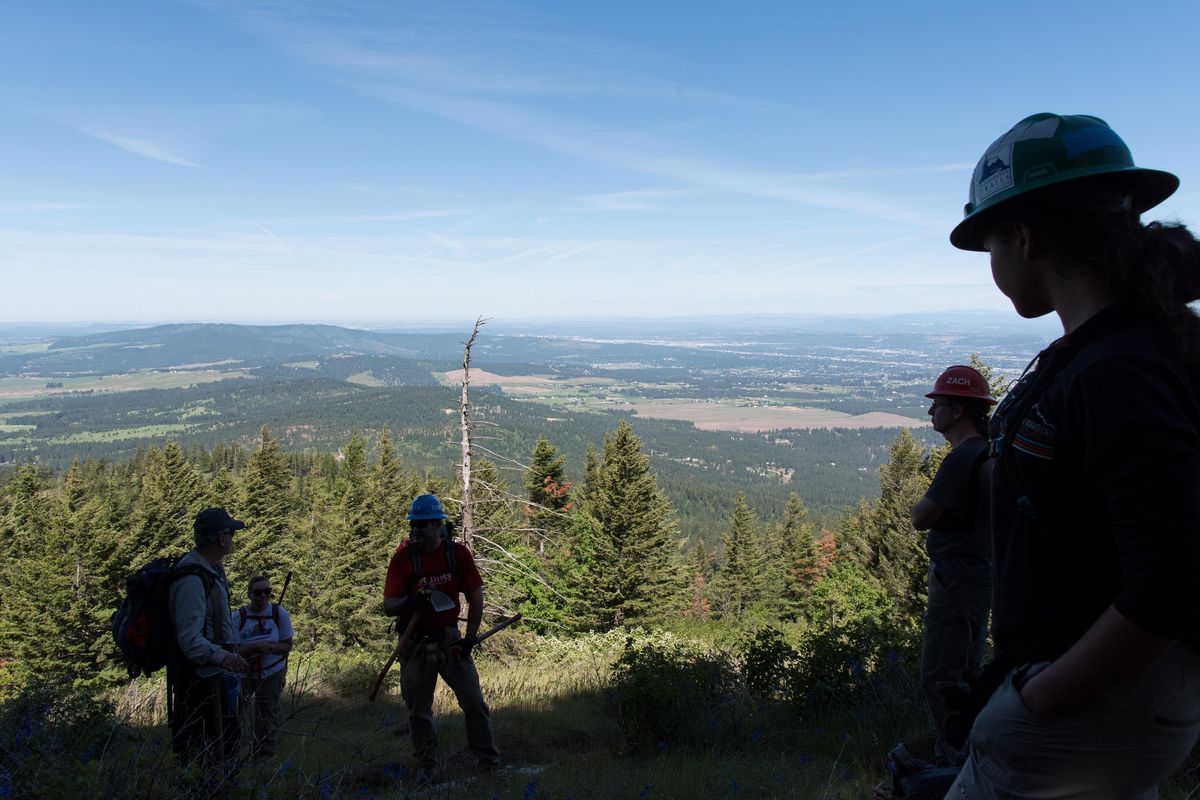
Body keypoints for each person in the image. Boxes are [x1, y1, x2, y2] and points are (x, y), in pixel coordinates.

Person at [944, 113, 1200, 798]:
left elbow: (1171, 581)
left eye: (990, 243)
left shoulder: (1116, 371)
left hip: (1097, 693)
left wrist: (1041, 699)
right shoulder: (1115, 350)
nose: (991, 264)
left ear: (1023, 237)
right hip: (1114, 693)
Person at [383, 493, 500, 779]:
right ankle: (427, 768)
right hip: (415, 645)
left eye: (421, 526)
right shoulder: (403, 559)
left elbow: (475, 595)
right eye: (413, 526)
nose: (415, 531)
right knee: (419, 712)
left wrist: (469, 638)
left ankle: (488, 764)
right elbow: (389, 606)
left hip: (450, 640)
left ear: (438, 525)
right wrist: (411, 602)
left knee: (474, 703)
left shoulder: (456, 554)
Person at [910, 365, 994, 762]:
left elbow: (920, 518)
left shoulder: (962, 459)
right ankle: (971, 750)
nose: (931, 413)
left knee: (942, 676)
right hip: (977, 576)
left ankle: (954, 758)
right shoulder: (988, 452)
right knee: (966, 671)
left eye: (937, 405)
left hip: (956, 579)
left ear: (959, 411)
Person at [169, 507, 249, 767]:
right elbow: (190, 640)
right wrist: (223, 657)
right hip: (196, 680)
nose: (233, 539)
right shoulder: (192, 578)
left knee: (225, 737)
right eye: (231, 534)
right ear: (221, 538)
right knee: (204, 747)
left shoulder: (209, 570)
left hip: (211, 675)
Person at [231, 575, 294, 759]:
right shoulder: (238, 617)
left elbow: (287, 645)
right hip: (243, 673)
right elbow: (232, 651)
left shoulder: (279, 613)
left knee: (266, 714)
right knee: (236, 713)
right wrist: (254, 648)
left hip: (272, 671)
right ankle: (233, 752)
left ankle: (263, 756)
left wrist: (272, 647)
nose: (263, 596)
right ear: (250, 594)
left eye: (267, 591)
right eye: (258, 592)